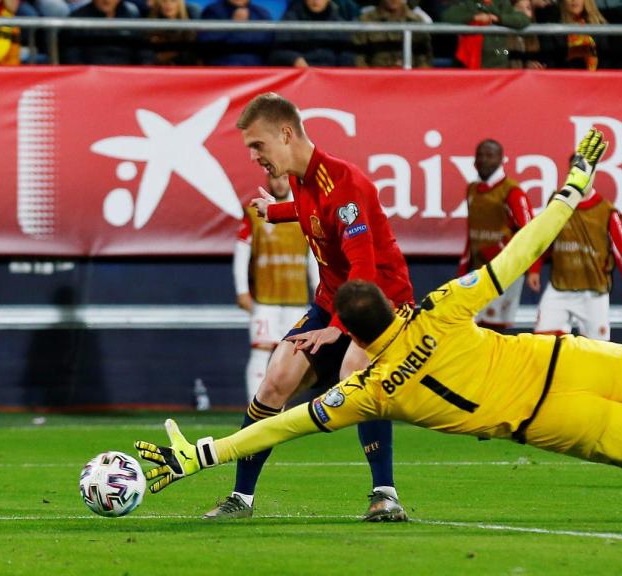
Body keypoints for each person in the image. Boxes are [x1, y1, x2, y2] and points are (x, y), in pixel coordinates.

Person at [136, 129, 622, 534]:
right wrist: (572, 185)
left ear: (356, 335)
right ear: (393, 309)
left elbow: (284, 424)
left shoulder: (369, 391)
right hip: (568, 361)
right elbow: (520, 252)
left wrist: (199, 455)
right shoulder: (440, 306)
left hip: (554, 421)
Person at [202, 92, 414, 522]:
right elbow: (311, 212)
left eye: (258, 145)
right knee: (275, 377)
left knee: (354, 372)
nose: (254, 157)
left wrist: (339, 327)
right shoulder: (302, 181)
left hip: (379, 302)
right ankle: (241, 498)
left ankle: (385, 494)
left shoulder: (346, 185)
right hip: (334, 301)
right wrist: (277, 212)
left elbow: (363, 268)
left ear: (285, 134)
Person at [234, 174, 319, 402]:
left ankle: (279, 408)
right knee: (261, 350)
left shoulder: (302, 210)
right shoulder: (254, 213)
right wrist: (242, 290)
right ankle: (254, 409)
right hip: (265, 300)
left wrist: (319, 288)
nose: (279, 183)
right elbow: (242, 253)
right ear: (267, 180)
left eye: (283, 178)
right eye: (274, 178)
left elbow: (312, 255)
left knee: (294, 356)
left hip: (296, 300)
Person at [527, 177, 622, 340]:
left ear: (592, 175)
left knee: (598, 350)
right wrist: (534, 268)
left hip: (593, 293)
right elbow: (545, 238)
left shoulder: (606, 211)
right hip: (559, 288)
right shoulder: (558, 202)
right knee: (543, 344)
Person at [458, 139, 535, 332]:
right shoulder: (472, 189)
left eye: (489, 155)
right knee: (471, 325)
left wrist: (533, 269)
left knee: (493, 329)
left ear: (501, 159)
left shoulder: (513, 192)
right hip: (478, 271)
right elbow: (472, 232)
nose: (483, 160)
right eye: (480, 155)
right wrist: (464, 266)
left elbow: (529, 231)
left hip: (504, 270)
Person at [442, 0, 530, 69]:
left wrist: (498, 19)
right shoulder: (469, 3)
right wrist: (474, 17)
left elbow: (523, 19)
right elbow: (447, 16)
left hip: (498, 56)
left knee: (503, 53)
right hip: (468, 59)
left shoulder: (502, 3)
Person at [62, 0, 153, 65]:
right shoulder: (76, 20)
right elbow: (72, 58)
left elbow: (144, 54)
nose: (106, 0)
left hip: (127, 77)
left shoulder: (132, 17)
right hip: (90, 78)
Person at [270, 0, 356, 68]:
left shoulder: (339, 25)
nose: (315, 0)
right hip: (299, 78)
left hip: (329, 79)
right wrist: (294, 59)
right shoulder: (290, 20)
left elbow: (347, 59)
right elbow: (277, 53)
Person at [353, 0, 433, 68]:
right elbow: (359, 59)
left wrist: (417, 78)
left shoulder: (416, 21)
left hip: (409, 77)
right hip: (376, 77)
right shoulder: (365, 20)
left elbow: (424, 60)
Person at [198, 0, 273, 66]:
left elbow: (268, 42)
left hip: (256, 69)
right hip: (223, 68)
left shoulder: (261, 13)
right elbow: (207, 43)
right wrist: (234, 26)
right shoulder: (213, 11)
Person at [539, 0, 608, 69]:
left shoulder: (601, 27)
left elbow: (606, 63)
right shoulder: (551, 28)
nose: (574, 0)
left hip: (597, 75)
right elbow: (550, 64)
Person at [147, 0, 199, 66]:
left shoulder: (189, 31)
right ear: (159, 4)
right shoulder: (151, 28)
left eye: (173, 1)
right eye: (164, 1)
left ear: (180, 5)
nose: (168, 4)